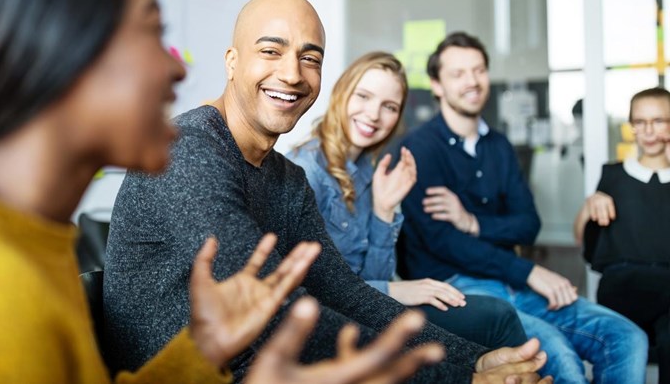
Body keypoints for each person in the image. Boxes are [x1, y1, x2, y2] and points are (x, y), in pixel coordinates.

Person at [0, 0, 450, 383]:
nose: (176, 68)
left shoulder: (20, 242)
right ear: (60, 58)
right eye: (151, 32)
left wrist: (198, 358)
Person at [105, 0, 553, 383]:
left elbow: (345, 291)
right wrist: (457, 375)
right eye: (271, 51)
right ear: (232, 61)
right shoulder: (190, 150)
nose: (293, 74)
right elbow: (277, 312)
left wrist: (472, 361)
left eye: (310, 58)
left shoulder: (286, 178)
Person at [397, 31, 649, 383]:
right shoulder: (419, 150)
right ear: (437, 85)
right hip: (459, 288)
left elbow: (528, 223)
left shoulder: (499, 146)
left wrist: (472, 222)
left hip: (511, 281)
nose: (472, 82)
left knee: (626, 337)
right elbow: (443, 243)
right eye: (458, 74)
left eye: (478, 70)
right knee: (557, 355)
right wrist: (528, 271)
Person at [286, 51, 527, 349]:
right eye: (363, 96)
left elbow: (372, 277)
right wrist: (396, 290)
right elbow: (309, 287)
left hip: (364, 309)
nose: (374, 114)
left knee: (495, 319)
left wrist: (384, 210)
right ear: (341, 94)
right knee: (498, 318)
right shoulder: (306, 171)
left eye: (389, 107)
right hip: (328, 322)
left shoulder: (365, 171)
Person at [574, 87, 670, 384]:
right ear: (631, 127)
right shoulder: (613, 175)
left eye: (659, 121)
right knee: (622, 345)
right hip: (622, 287)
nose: (649, 131)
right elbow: (581, 238)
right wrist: (590, 205)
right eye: (640, 122)